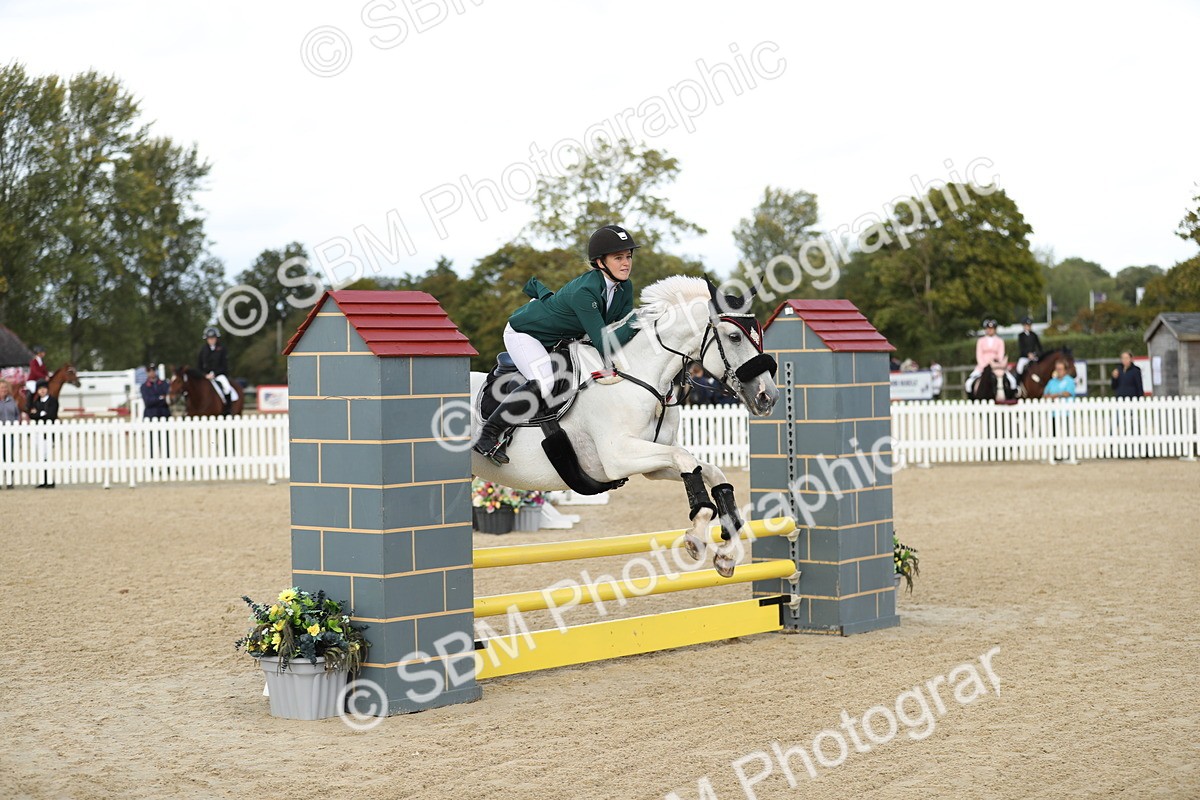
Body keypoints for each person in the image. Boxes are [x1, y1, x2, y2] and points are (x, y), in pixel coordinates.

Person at [473, 224, 641, 463]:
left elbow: (618, 327)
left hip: (560, 338)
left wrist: (635, 323)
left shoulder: (625, 287)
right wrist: (639, 320)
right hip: (526, 333)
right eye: (618, 258)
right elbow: (606, 342)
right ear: (600, 263)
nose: (626, 263)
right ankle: (487, 436)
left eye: (628, 256)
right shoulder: (585, 291)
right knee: (545, 382)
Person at [966, 319, 1013, 394]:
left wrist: (997, 364)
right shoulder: (980, 341)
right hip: (982, 366)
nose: (990, 330)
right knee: (968, 383)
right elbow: (979, 355)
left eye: (992, 328)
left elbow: (1001, 354)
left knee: (1012, 381)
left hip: (997, 366)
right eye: (988, 328)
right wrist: (984, 365)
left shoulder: (1000, 341)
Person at [198, 327, 238, 410]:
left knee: (226, 387)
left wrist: (215, 374)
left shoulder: (222, 349)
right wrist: (204, 375)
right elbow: (199, 365)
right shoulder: (203, 350)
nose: (211, 340)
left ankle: (228, 409)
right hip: (206, 376)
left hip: (219, 375)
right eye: (209, 338)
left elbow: (224, 365)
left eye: (213, 338)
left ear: (216, 338)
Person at [31, 379, 58, 488]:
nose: (42, 391)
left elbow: (51, 415)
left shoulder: (52, 401)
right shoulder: (36, 402)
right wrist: (42, 414)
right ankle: (43, 480)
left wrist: (39, 414)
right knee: (41, 456)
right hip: (38, 432)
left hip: (48, 432)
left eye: (43, 388)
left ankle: (50, 480)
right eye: (40, 389)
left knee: (48, 456)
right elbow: (32, 415)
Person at [0, 380, 18, 489]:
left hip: (10, 433)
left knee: (9, 457)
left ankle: (9, 481)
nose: (4, 390)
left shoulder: (11, 401)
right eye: (2, 388)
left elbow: (17, 415)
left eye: (5, 388)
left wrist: (15, 424)